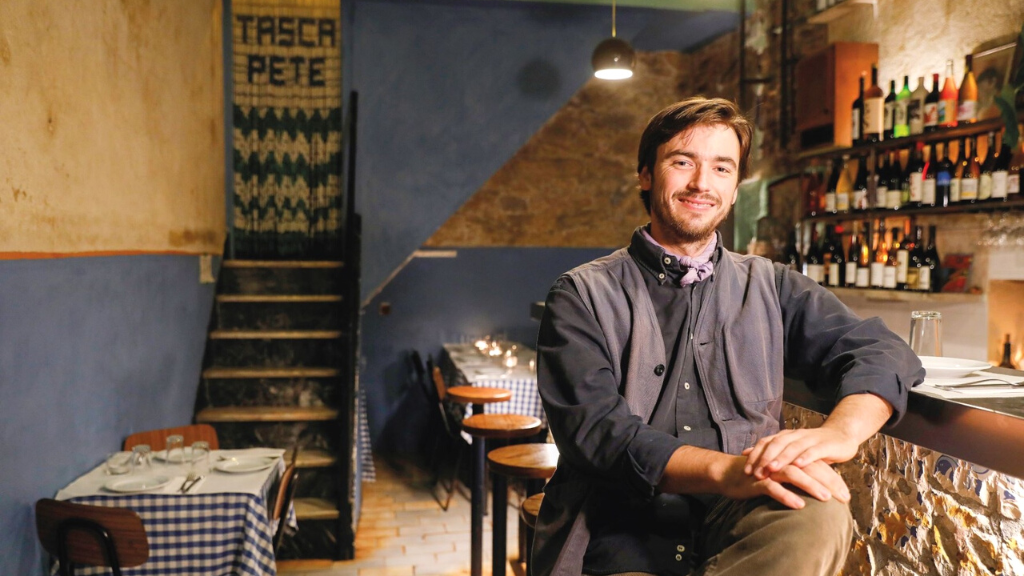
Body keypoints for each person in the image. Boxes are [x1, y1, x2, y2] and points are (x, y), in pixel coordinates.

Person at [533, 97, 924, 576]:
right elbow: (597, 435)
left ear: (736, 188)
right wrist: (726, 471)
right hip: (617, 528)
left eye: (722, 168)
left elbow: (881, 350)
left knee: (819, 510)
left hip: (742, 519)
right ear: (645, 175)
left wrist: (840, 433)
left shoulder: (773, 285)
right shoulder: (580, 294)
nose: (702, 183)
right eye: (683, 162)